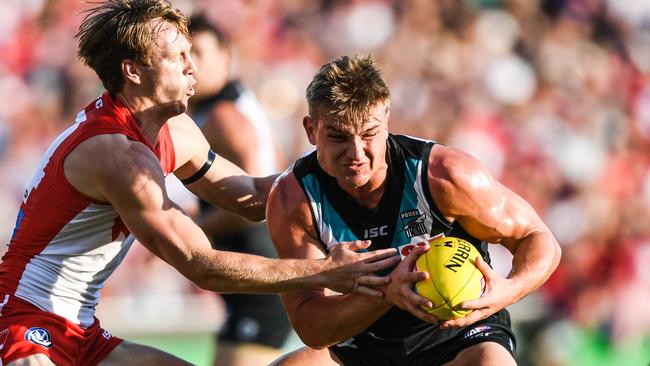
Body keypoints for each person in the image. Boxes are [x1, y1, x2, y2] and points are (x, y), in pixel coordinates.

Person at [0, 3, 401, 365]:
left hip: (79, 330)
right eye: (177, 57)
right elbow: (201, 266)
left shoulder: (173, 129)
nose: (192, 67)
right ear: (133, 71)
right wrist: (325, 272)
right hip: (23, 324)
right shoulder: (115, 154)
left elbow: (253, 197)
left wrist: (341, 162)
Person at [266, 55, 562, 366]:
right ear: (311, 130)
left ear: (387, 120)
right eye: (338, 136)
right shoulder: (293, 199)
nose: (356, 153)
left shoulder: (444, 175)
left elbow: (538, 238)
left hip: (459, 338)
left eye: (369, 134)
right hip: (363, 343)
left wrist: (508, 289)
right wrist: (386, 293)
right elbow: (312, 327)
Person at [187, 14, 293, 366]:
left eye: (199, 54)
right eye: (183, 56)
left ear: (226, 58)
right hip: (256, 277)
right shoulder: (239, 105)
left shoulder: (223, 116)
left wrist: (191, 232)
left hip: (259, 280)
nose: (190, 66)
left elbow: (259, 204)